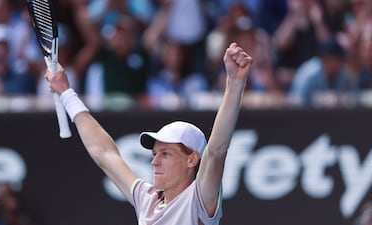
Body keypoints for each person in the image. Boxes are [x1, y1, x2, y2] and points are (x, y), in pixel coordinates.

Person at [45, 42, 252, 224]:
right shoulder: (147, 199)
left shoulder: (198, 199)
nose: (154, 162)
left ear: (192, 159)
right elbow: (104, 153)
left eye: (166, 154)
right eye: (155, 154)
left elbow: (216, 151)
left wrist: (234, 83)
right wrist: (67, 94)